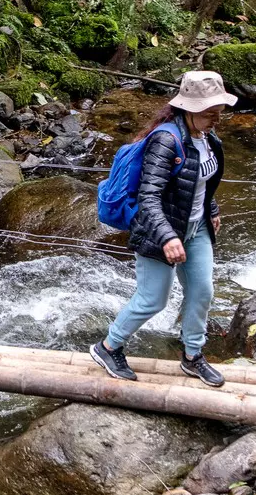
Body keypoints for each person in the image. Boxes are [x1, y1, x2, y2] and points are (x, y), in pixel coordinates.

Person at [89, 69, 237, 386]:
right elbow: (149, 196)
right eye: (210, 113)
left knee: (202, 292)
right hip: (159, 232)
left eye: (218, 112)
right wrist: (168, 236)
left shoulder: (207, 138)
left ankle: (192, 356)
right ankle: (108, 346)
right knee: (153, 299)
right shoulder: (165, 142)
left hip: (196, 230)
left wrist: (210, 207)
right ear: (189, 110)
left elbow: (202, 182)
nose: (216, 119)